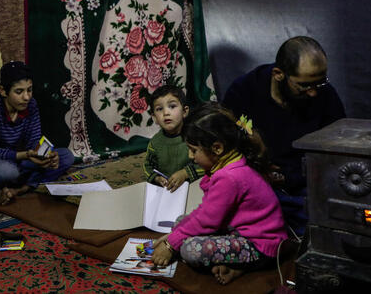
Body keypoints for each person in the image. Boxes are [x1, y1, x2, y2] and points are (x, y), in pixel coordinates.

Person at [151, 103, 288, 285]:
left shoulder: (229, 177)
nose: (191, 157)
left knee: (190, 250)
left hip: (261, 245)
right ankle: (234, 266)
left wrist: (171, 244)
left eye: (194, 150)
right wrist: (175, 235)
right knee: (180, 222)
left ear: (217, 148)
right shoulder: (229, 165)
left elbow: (207, 221)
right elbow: (206, 211)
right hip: (237, 230)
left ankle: (244, 266)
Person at [222, 36, 345, 236]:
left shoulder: (326, 95)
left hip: (306, 186)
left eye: (320, 83)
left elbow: (337, 151)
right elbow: (225, 144)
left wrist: (291, 177)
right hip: (255, 182)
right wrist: (257, 172)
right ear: (279, 74)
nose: (313, 93)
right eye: (304, 86)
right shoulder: (244, 91)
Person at [0, 61, 74, 205]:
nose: (26, 97)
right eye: (19, 91)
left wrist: (46, 155)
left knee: (66, 156)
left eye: (29, 90)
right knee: (8, 171)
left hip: (18, 159)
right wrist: (25, 155)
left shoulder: (31, 105)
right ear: (3, 91)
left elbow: (34, 141)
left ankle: (19, 189)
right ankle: (20, 183)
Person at [143, 85, 204, 191]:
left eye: (172, 106)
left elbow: (208, 163)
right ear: (154, 118)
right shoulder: (155, 143)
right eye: (159, 109)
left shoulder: (195, 136)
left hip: (194, 187)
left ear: (184, 112)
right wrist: (157, 178)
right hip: (167, 190)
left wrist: (185, 173)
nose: (166, 113)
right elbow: (147, 166)